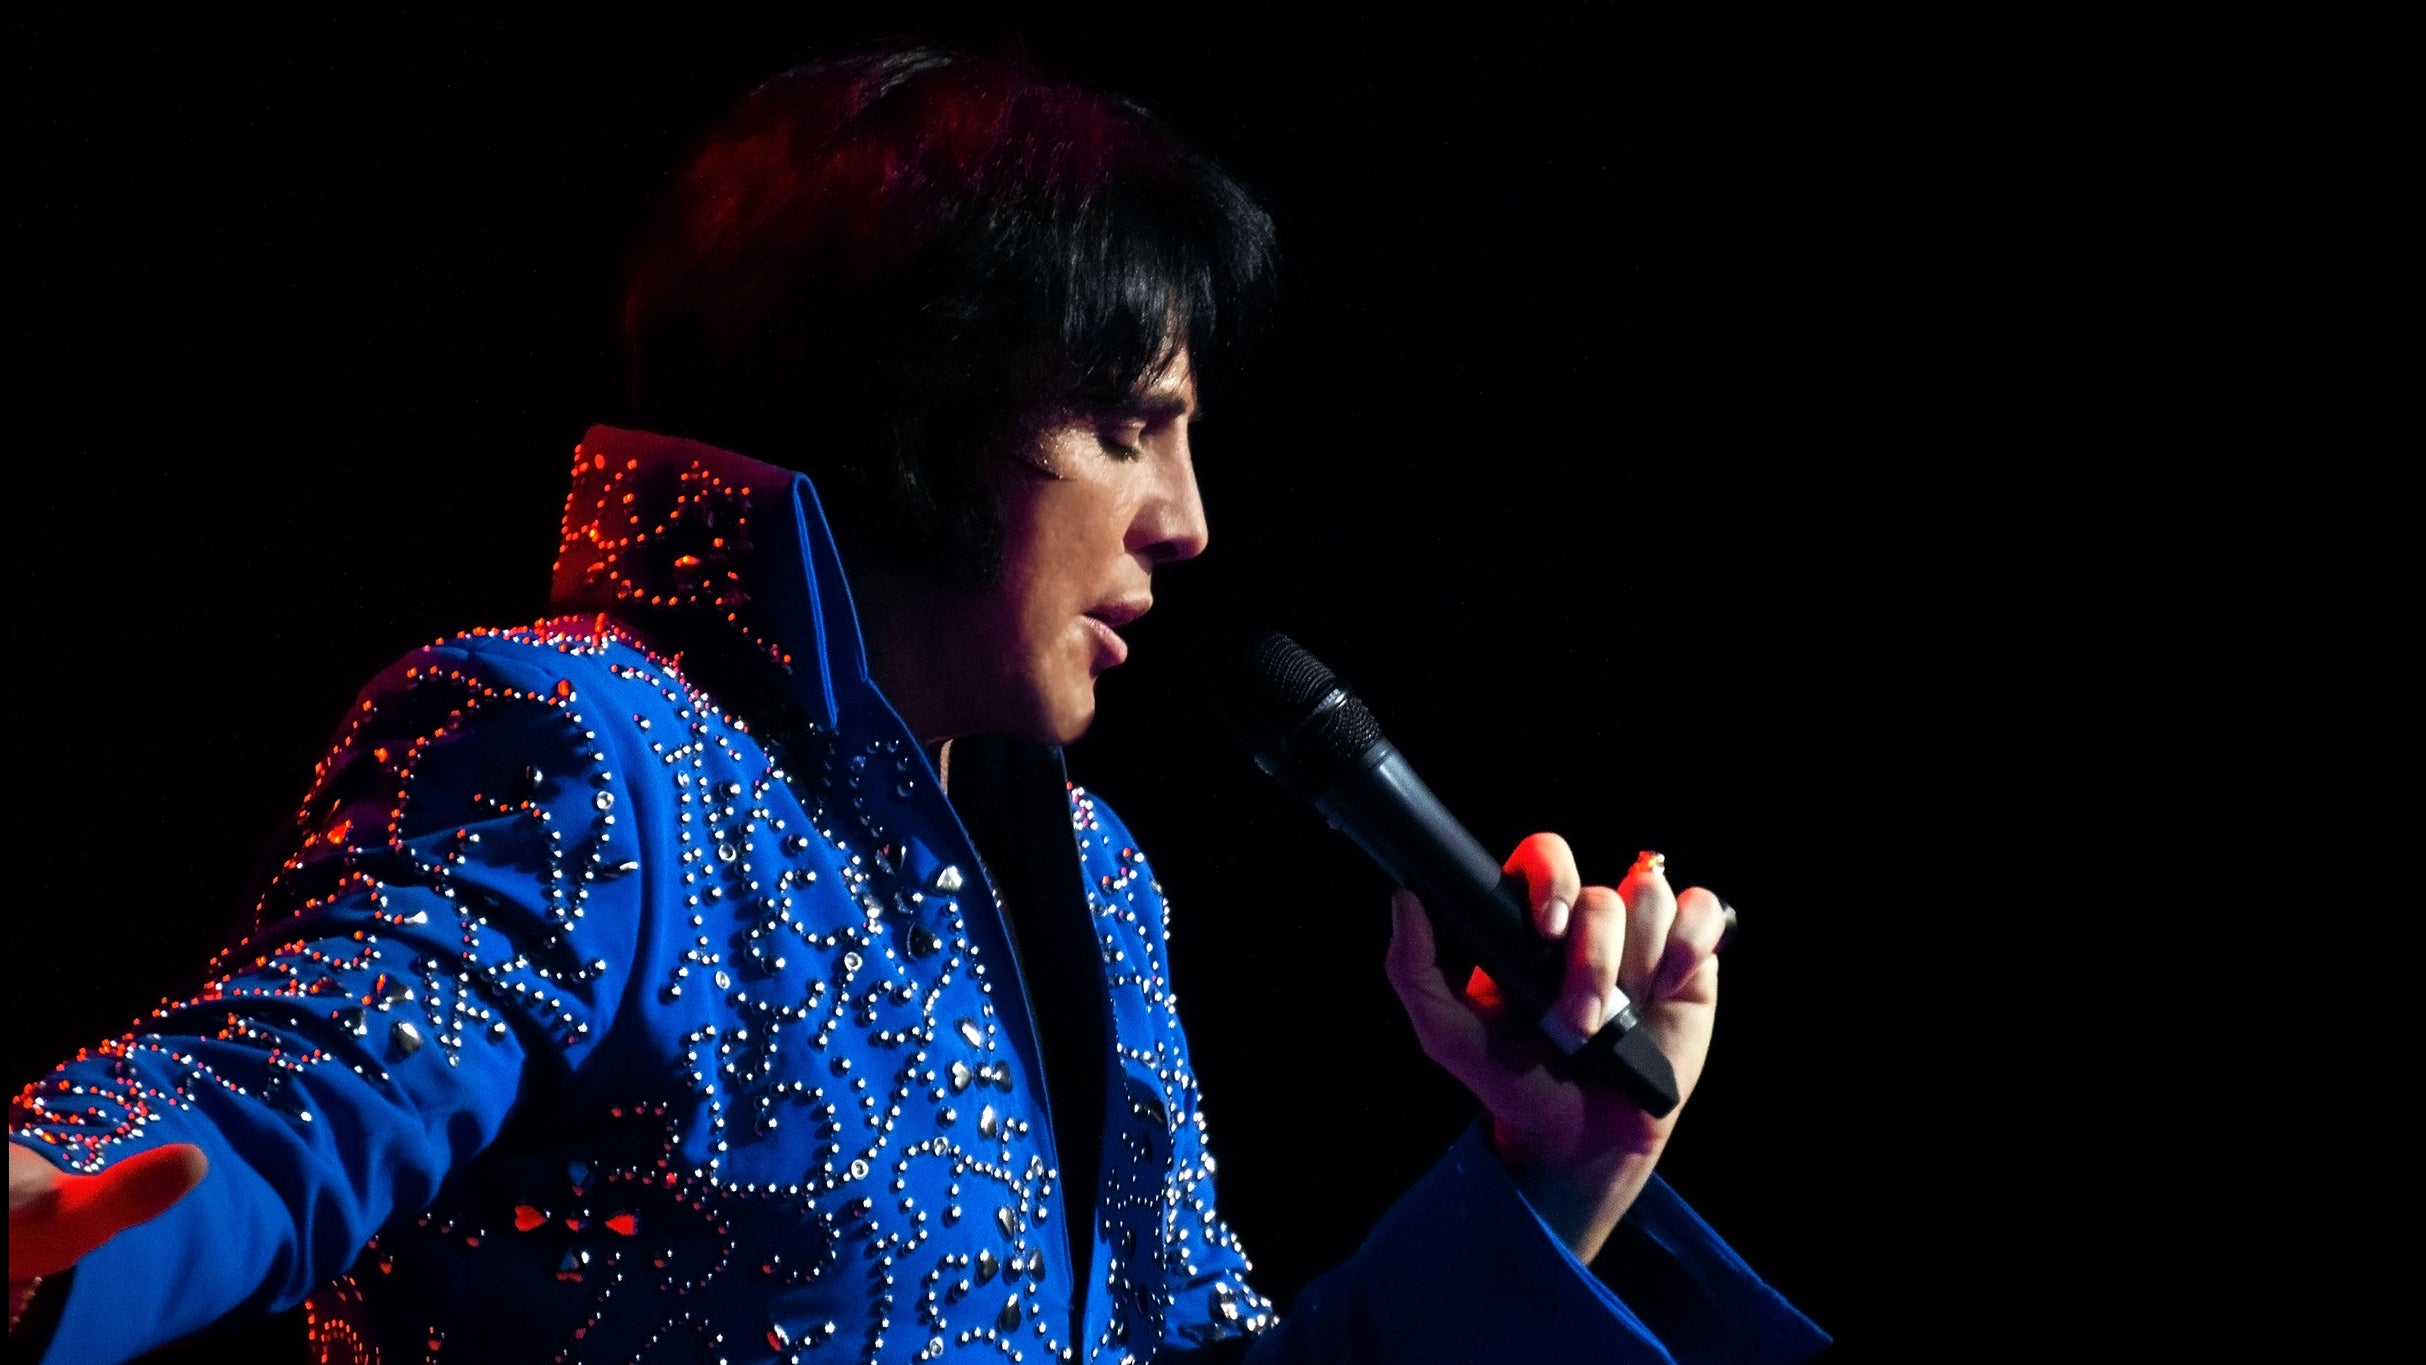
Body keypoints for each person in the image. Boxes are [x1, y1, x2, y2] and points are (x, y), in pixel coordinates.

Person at [9, 45, 1827, 1363]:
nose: (1185, 520)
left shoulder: (1093, 880)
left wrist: (1554, 1169)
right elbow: (279, 1099)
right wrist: (44, 1207)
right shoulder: (591, 745)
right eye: (1124, 427)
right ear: (922, 410)